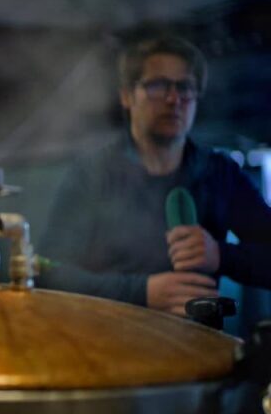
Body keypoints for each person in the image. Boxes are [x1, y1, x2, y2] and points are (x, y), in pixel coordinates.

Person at [36, 35, 271, 316]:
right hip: (110, 344)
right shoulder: (91, 174)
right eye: (157, 85)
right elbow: (48, 272)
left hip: (199, 347)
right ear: (126, 96)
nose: (174, 99)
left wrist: (221, 254)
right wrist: (141, 291)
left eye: (185, 87)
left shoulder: (221, 173)